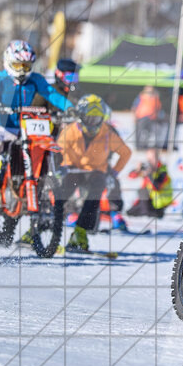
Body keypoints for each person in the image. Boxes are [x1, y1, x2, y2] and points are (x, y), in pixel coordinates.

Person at [0, 40, 73, 210]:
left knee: (48, 148)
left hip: (29, 127)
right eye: (17, 65)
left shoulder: (36, 80)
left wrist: (69, 108)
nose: (21, 70)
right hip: (4, 127)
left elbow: (52, 94)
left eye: (26, 66)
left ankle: (46, 182)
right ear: (8, 61)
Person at [53, 94, 131, 252]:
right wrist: (59, 168)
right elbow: (56, 151)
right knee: (60, 196)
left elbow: (126, 153)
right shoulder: (70, 131)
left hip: (96, 171)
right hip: (72, 169)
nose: (93, 122)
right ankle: (43, 229)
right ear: (81, 117)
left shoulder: (107, 133)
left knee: (95, 194)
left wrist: (113, 173)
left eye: (96, 118)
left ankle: (80, 233)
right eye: (89, 118)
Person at [126, 149, 173, 218]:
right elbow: (130, 176)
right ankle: (145, 212)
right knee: (130, 212)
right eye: (148, 159)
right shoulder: (148, 168)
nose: (149, 161)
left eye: (152, 159)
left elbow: (157, 187)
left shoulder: (162, 170)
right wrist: (138, 170)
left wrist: (149, 174)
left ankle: (148, 213)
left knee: (143, 191)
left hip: (160, 205)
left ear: (157, 158)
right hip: (150, 201)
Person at [132, 85, 163, 149]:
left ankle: (147, 146)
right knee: (139, 132)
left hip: (152, 118)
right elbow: (134, 107)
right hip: (142, 117)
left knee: (150, 133)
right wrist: (135, 116)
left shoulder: (156, 98)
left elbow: (158, 108)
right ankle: (138, 146)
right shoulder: (140, 97)